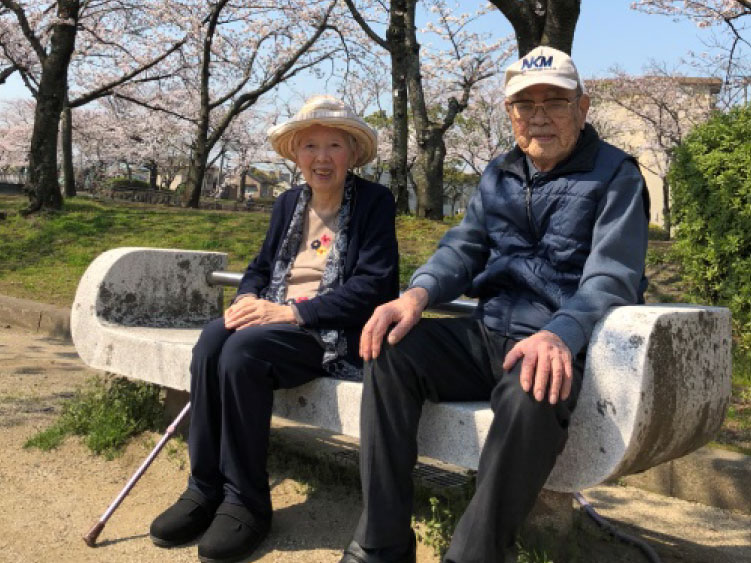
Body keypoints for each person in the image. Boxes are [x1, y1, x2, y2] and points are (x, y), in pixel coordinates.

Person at [339, 46, 649, 563]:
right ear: (510, 115)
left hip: (560, 344)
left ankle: (474, 554)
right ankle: (382, 541)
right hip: (488, 332)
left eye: (555, 101)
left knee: (535, 383)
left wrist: (559, 333)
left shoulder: (617, 175)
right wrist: (416, 294)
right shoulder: (499, 173)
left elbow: (611, 278)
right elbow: (463, 248)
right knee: (391, 348)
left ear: (583, 107)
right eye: (526, 106)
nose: (540, 116)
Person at [149, 95, 399, 563]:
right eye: (310, 146)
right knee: (210, 342)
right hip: (272, 320)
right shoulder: (288, 202)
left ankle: (246, 501)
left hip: (330, 333)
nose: (321, 158)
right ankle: (204, 487)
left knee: (242, 353)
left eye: (334, 146)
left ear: (352, 154)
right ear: (296, 154)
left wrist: (293, 312)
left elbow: (375, 286)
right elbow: (261, 267)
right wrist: (247, 297)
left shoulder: (373, 202)